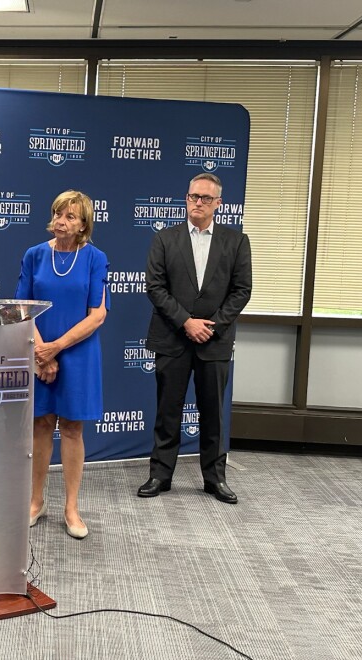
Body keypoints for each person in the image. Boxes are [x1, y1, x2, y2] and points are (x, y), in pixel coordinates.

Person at [137, 173, 252, 504]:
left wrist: (212, 325)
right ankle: (160, 474)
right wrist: (187, 322)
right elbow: (155, 288)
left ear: (218, 204)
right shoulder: (164, 239)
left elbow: (242, 290)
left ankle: (215, 479)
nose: (197, 203)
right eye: (192, 197)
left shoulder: (236, 241)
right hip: (172, 337)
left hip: (214, 342)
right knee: (167, 411)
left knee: (213, 413)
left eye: (205, 198)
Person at [15, 190, 109, 540]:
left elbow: (97, 315)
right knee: (40, 425)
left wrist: (56, 348)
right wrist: (41, 351)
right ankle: (35, 501)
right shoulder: (35, 255)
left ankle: (71, 507)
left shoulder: (95, 258)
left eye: (70, 216)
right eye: (58, 213)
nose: (61, 220)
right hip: (37, 350)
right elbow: (22, 306)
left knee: (71, 428)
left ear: (84, 223)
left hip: (78, 353)